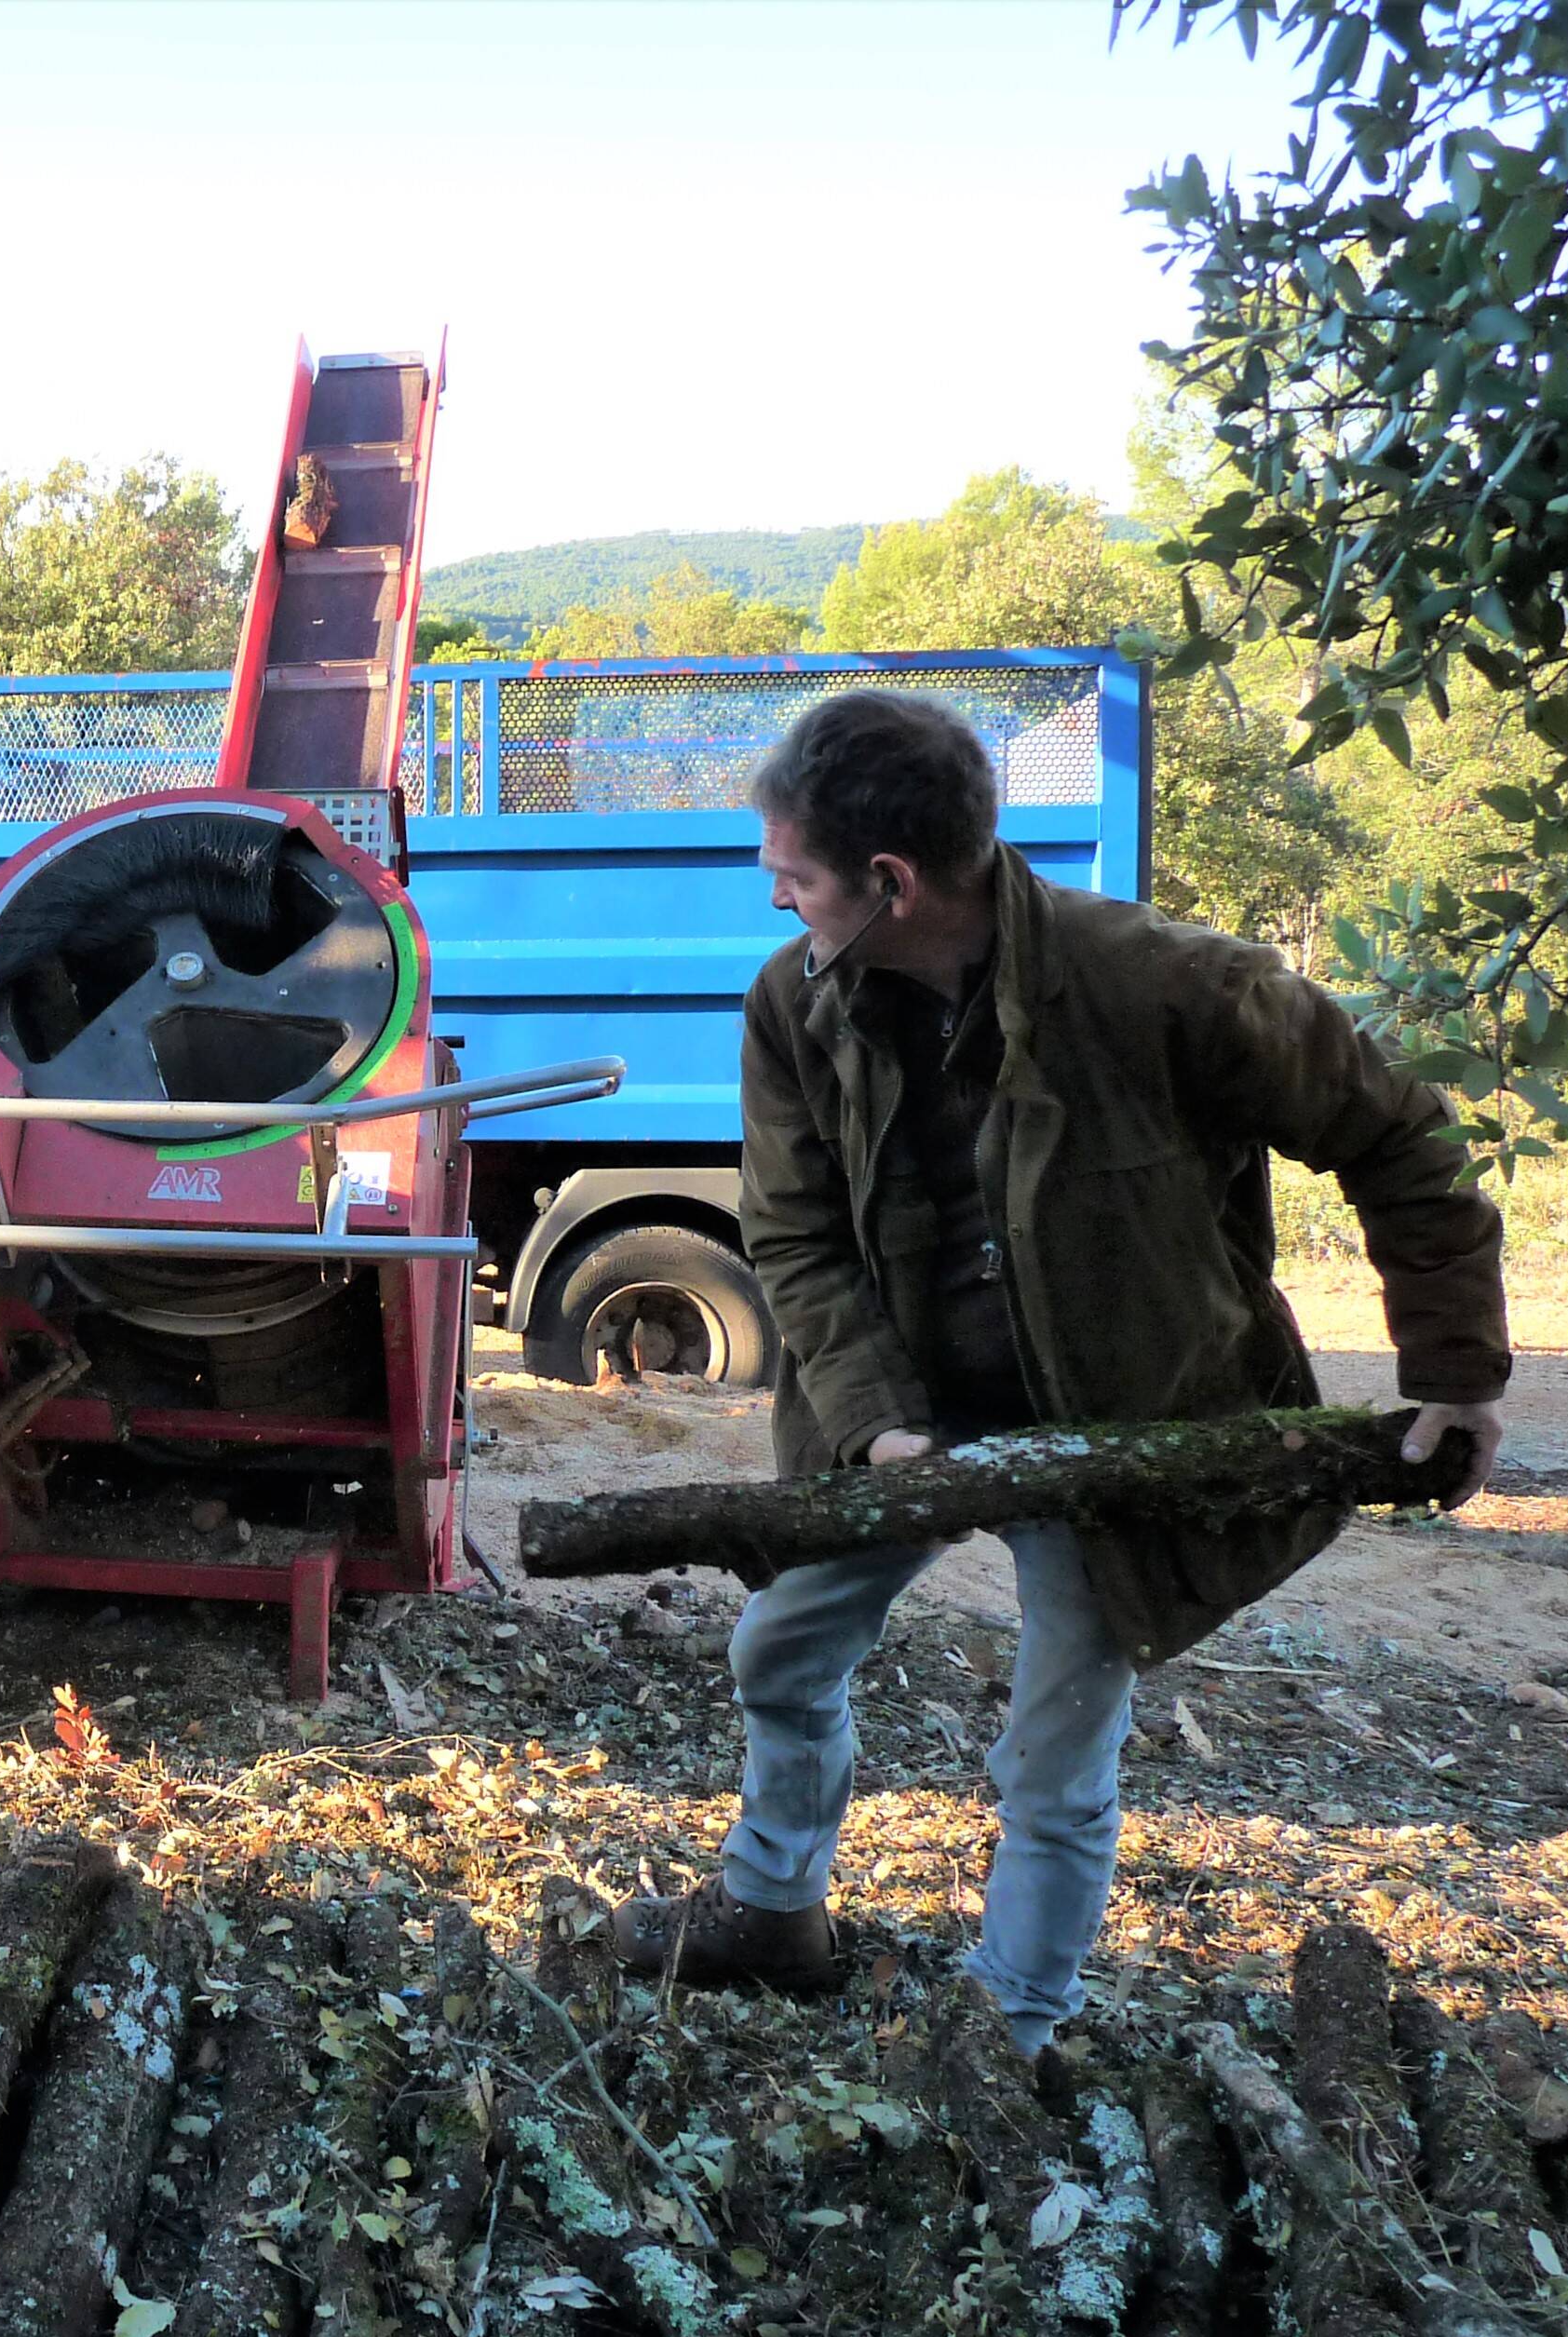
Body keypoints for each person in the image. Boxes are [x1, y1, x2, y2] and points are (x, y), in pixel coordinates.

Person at [607, 690, 1509, 2049]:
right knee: (779, 1650)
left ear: (892, 882)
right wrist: (876, 1424)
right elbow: (791, 1234)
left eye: (794, 878)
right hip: (898, 1413)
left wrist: (1457, 1368)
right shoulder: (795, 1005)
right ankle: (773, 1909)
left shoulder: (1170, 985)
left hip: (1118, 1426)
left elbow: (1399, 1136)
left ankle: (1011, 2026)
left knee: (1056, 1746)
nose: (778, 902)